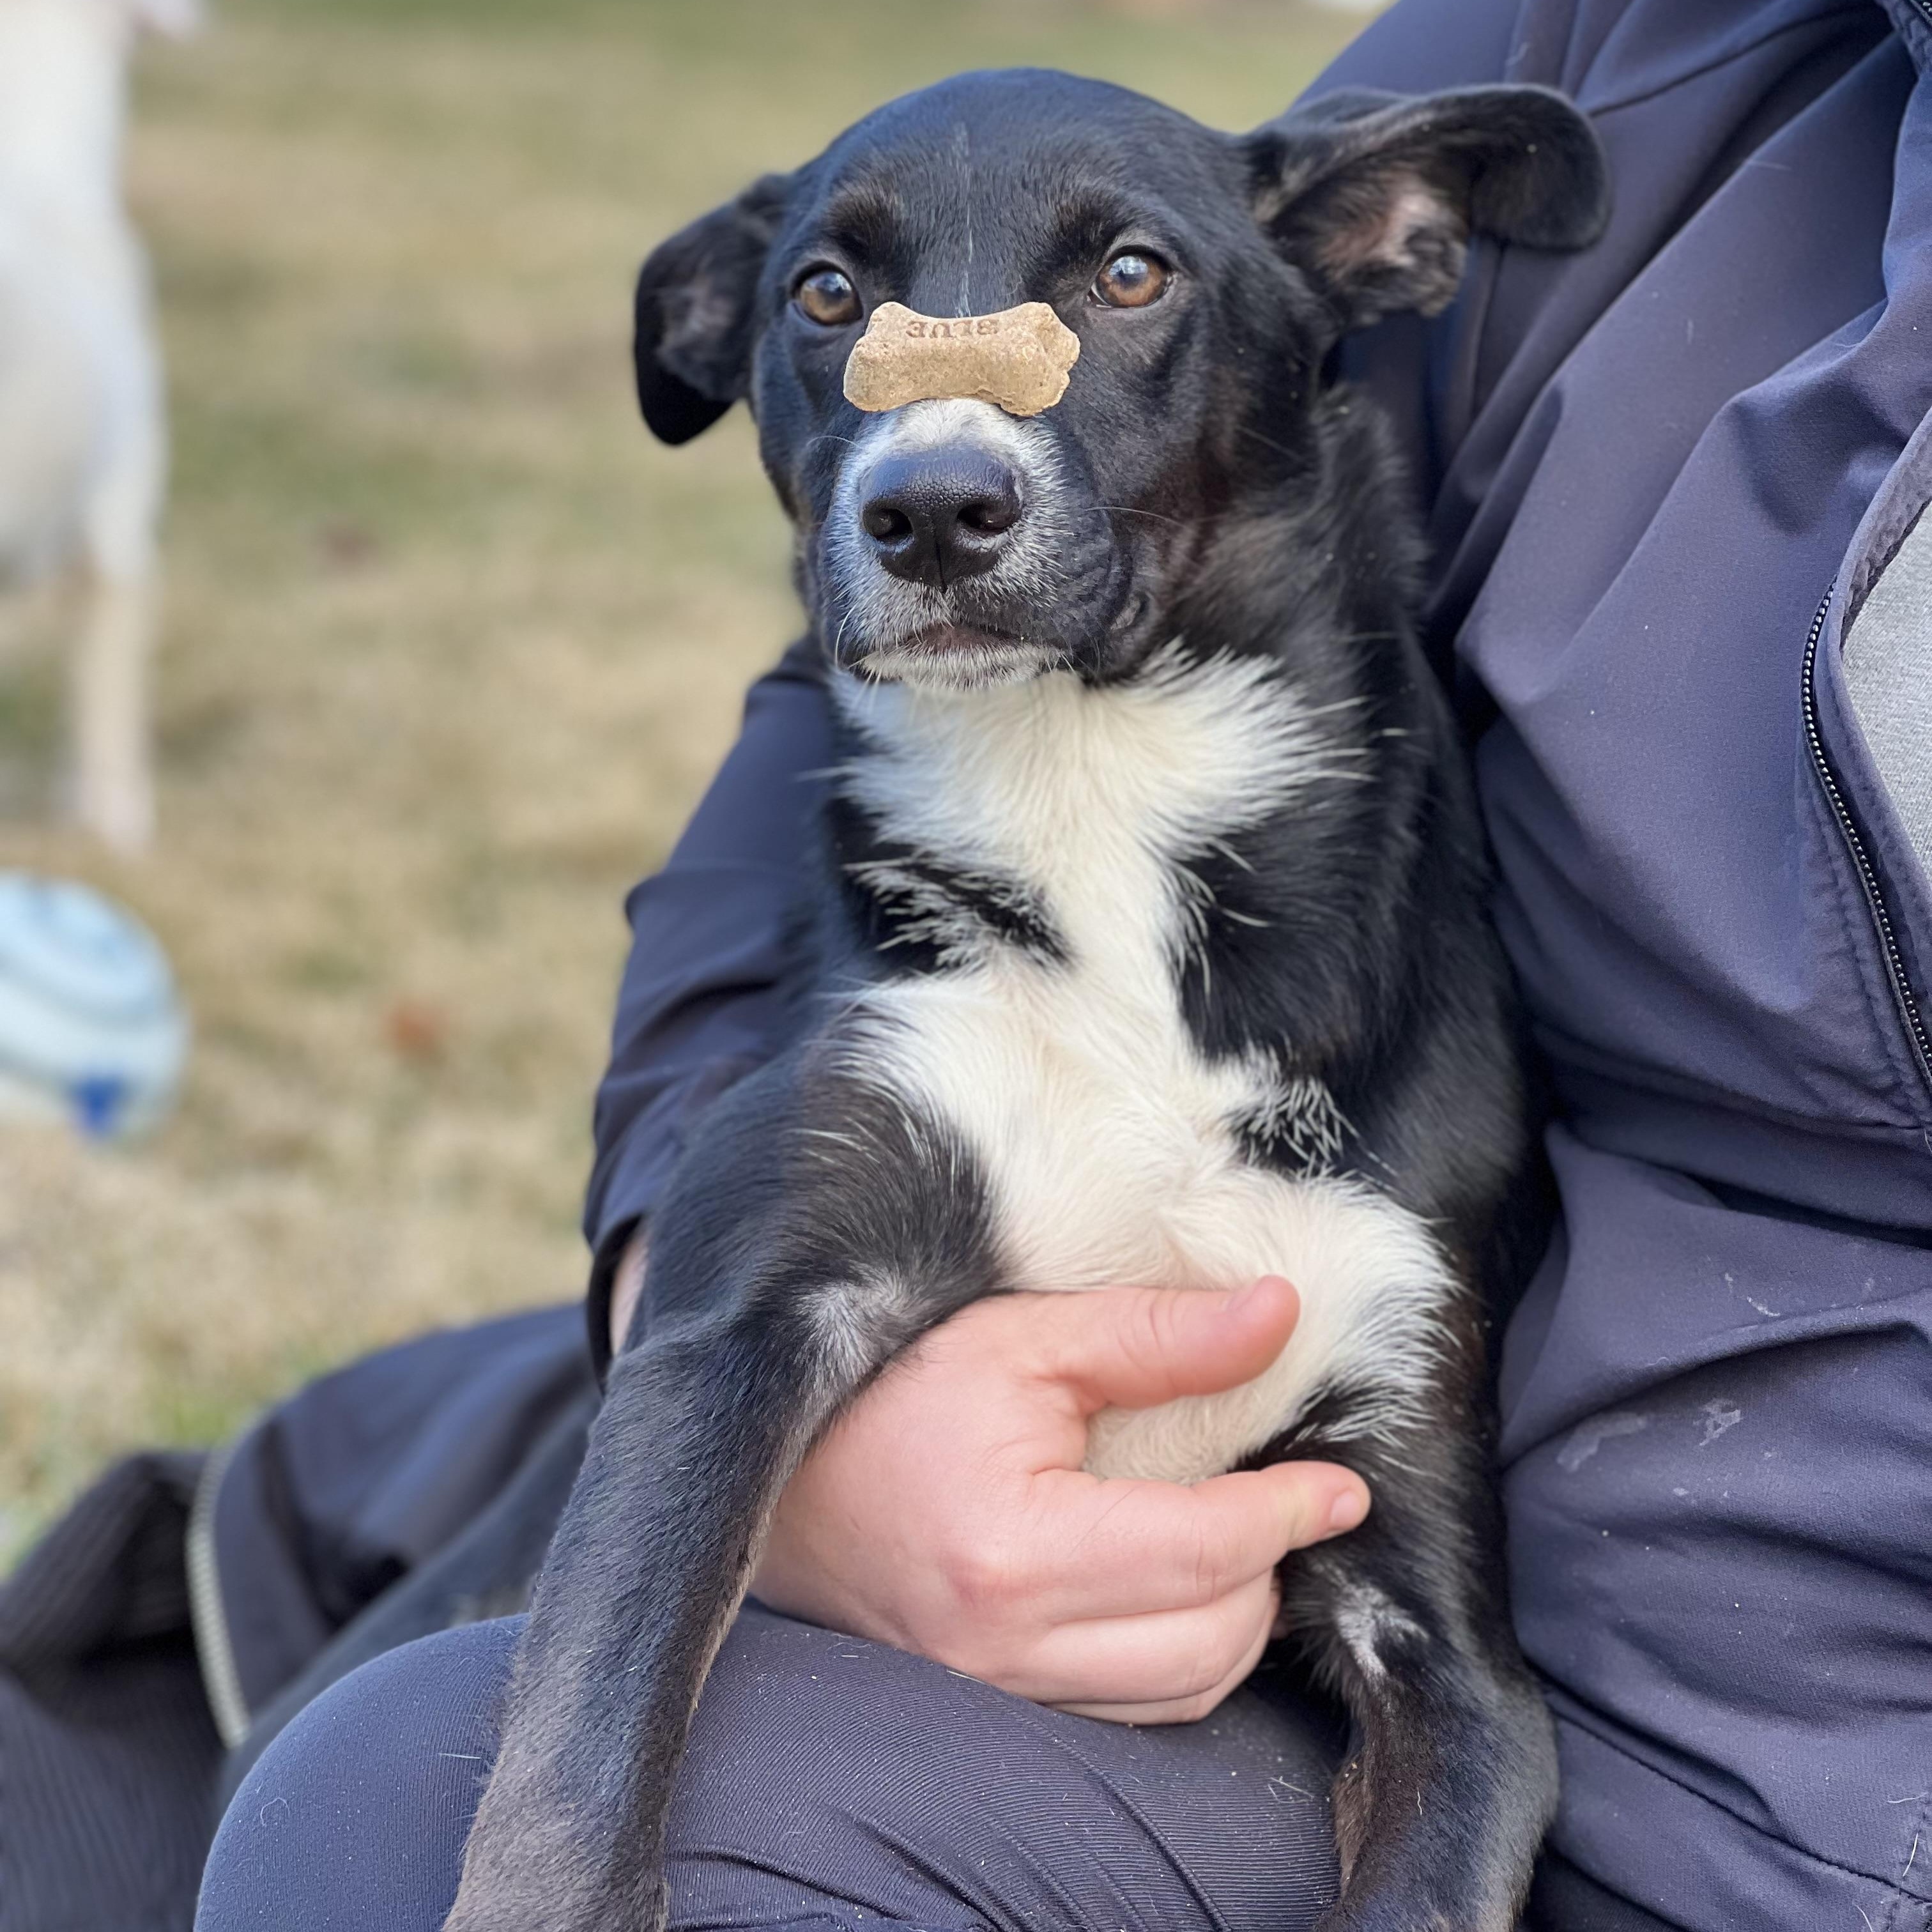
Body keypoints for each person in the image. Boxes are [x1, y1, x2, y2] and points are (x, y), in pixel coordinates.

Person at [192, 0, 1932, 1928]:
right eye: (833, 302)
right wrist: (712, 1350)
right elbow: (819, 704)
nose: (939, 477)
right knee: (370, 1813)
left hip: (1694, 1759)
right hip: (1212, 1726)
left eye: (1122, 276)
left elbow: (1451, 1686)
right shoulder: (1674, 47)